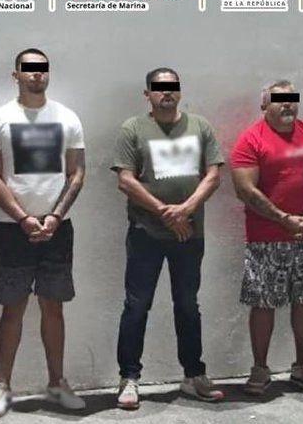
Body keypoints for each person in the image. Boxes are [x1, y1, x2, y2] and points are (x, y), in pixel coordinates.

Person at [0, 48, 87, 417]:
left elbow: (77, 173)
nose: (37, 74)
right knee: (13, 309)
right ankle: (3, 387)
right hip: (13, 230)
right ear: (17, 75)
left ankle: (56, 383)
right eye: (29, 69)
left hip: (58, 229)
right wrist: (24, 218)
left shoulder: (67, 117)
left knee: (53, 307)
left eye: (42, 69)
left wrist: (55, 216)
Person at [112, 68, 225, 409]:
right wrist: (165, 212)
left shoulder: (200, 126)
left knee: (188, 305)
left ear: (180, 91)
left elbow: (214, 175)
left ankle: (193, 376)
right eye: (159, 88)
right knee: (136, 306)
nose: (167, 93)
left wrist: (186, 210)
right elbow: (126, 180)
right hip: (145, 234)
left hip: (189, 233)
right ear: (147, 93)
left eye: (172, 87)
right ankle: (129, 378)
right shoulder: (133, 128)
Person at [230, 80, 303, 396]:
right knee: (263, 303)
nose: (287, 104)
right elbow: (245, 189)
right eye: (279, 99)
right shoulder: (251, 139)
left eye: (292, 99)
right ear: (264, 105)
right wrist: (283, 219)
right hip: (265, 238)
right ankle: (260, 369)